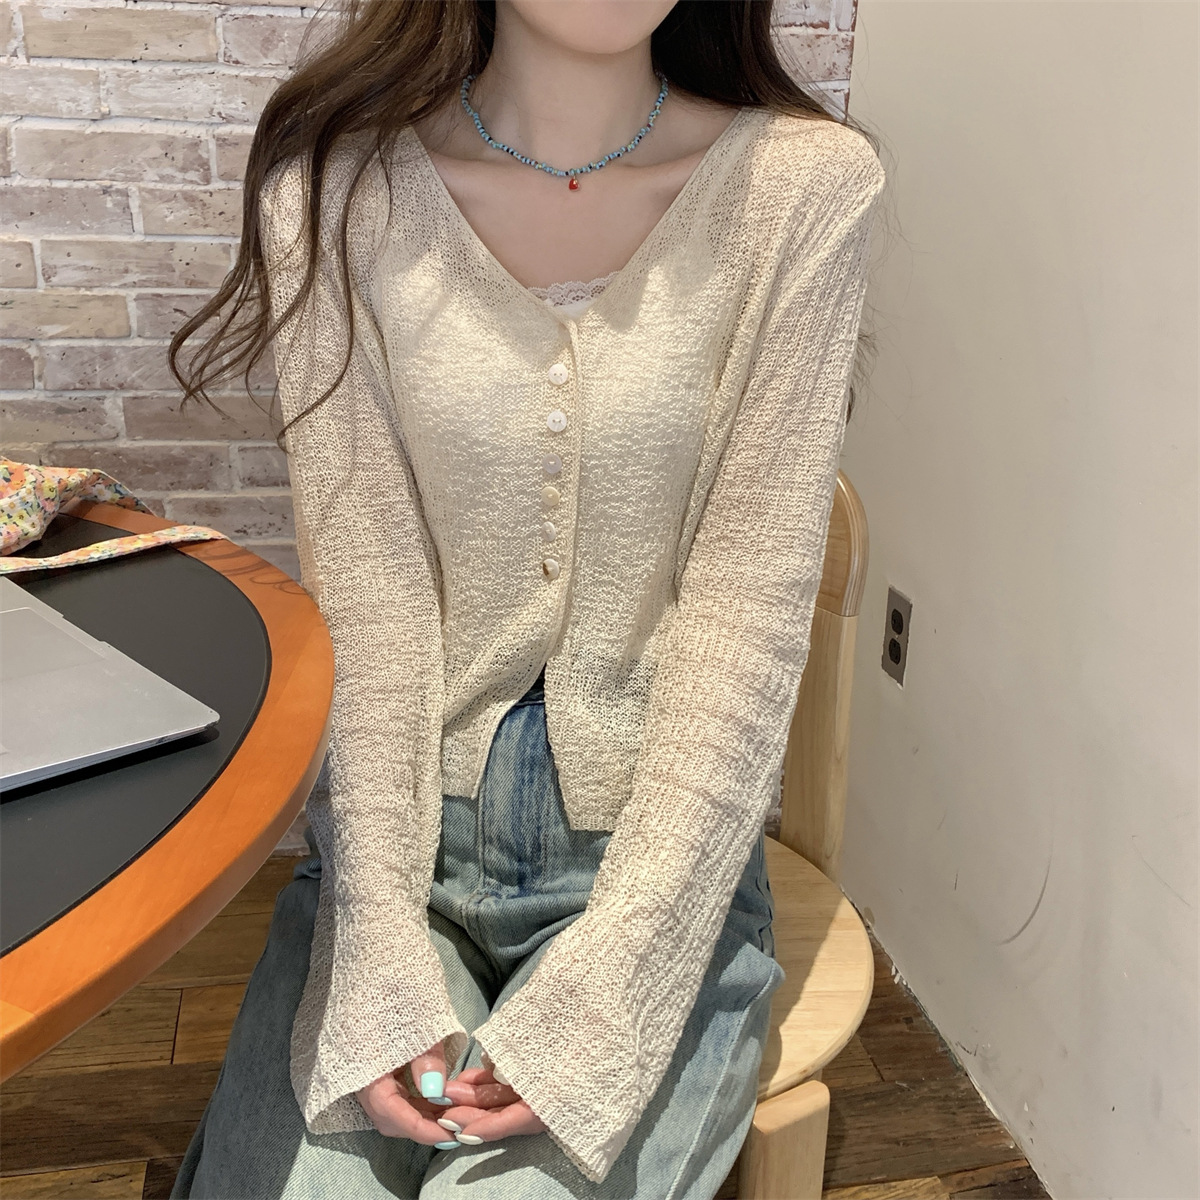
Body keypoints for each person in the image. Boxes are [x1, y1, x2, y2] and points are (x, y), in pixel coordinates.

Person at [167, 1, 887, 1196]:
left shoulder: (801, 188)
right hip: (399, 853)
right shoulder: (337, 193)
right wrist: (380, 952)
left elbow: (747, 614)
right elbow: (372, 600)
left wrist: (615, 993)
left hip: (657, 867)